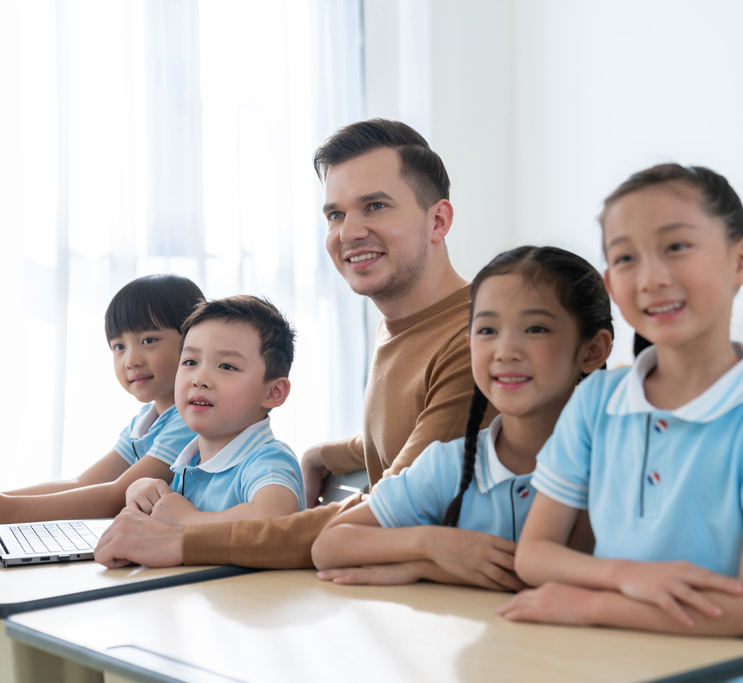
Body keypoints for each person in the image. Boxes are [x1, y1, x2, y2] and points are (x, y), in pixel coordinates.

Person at [93, 119, 485, 569]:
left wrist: (180, 541)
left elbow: (392, 508)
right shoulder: (400, 326)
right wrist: (325, 454)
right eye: (336, 214)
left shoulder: (475, 339)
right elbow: (418, 431)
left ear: (438, 220)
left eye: (375, 206)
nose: (349, 232)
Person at [498, 164, 743, 683]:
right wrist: (628, 576)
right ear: (611, 283)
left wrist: (589, 604)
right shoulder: (596, 402)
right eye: (626, 257)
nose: (651, 278)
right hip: (623, 668)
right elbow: (535, 555)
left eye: (676, 247)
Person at [311, 246, 611, 589]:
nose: (505, 351)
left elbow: (545, 574)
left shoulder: (622, 459)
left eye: (535, 329)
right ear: (470, 345)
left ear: (592, 351)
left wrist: (422, 568)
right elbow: (329, 546)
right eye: (487, 331)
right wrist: (432, 545)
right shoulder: (449, 464)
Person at [0, 274, 202, 527]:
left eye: (148, 340)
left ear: (192, 341)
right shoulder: (146, 421)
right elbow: (81, 483)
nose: (131, 360)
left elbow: (116, 496)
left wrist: (6, 510)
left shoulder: (192, 419)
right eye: (118, 346)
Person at [112, 294, 305, 530]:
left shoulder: (267, 460)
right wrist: (140, 487)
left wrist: (187, 520)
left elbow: (274, 518)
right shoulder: (189, 461)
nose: (199, 379)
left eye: (227, 366)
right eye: (190, 362)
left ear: (273, 392)